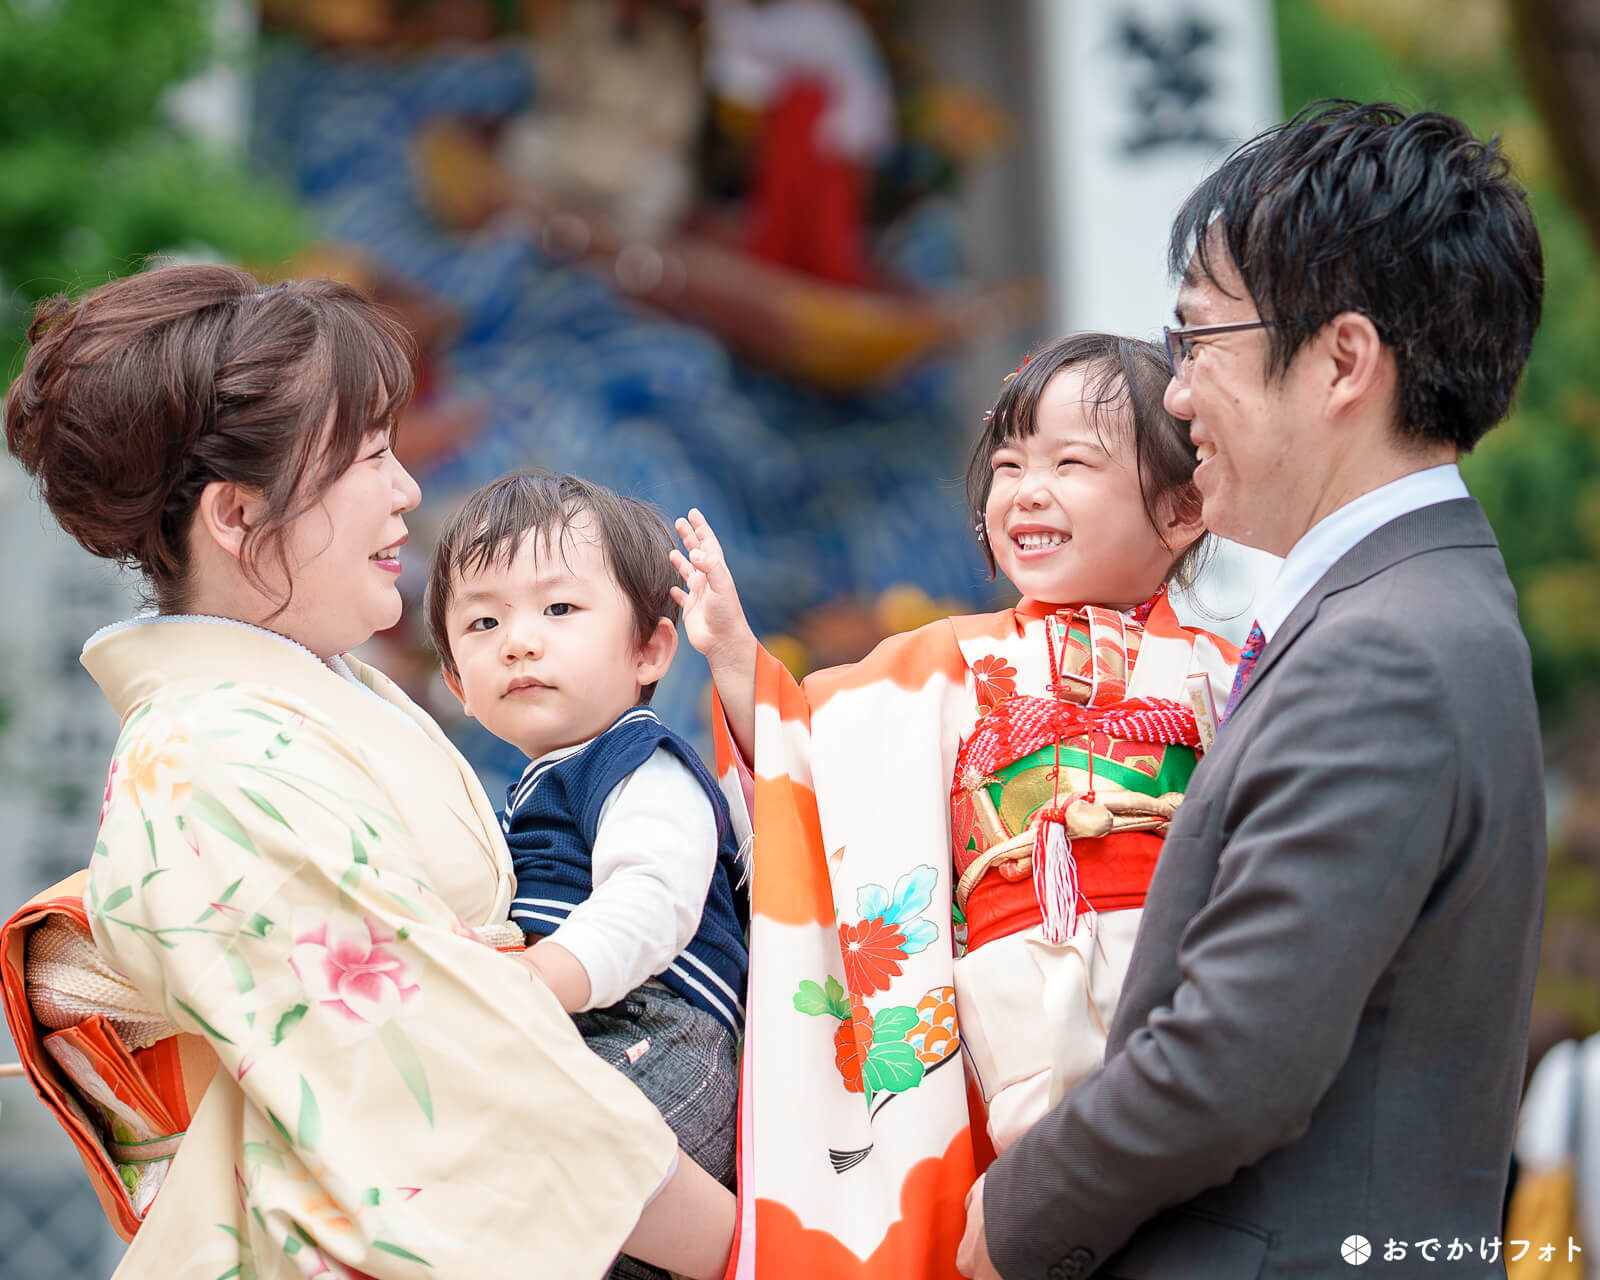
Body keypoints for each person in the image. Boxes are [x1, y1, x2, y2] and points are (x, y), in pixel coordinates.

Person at [0, 263, 735, 1280]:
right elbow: (459, 1083)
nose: (407, 491)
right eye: (372, 456)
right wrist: (753, 1248)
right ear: (236, 514)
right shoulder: (213, 760)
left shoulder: (293, 705)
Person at [960, 101, 1547, 1280]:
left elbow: (1230, 1062)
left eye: (1197, 343)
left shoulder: (1382, 646)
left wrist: (1007, 1217)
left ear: (1340, 361)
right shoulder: (1418, 601)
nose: (1175, 397)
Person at [670, 333, 1238, 1277]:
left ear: (1182, 509)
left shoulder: (1232, 673)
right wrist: (737, 659)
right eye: (1008, 464)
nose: (1027, 489)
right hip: (1004, 1031)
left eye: (1070, 462)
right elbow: (807, 763)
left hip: (1181, 999)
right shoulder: (939, 663)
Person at [423, 470, 747, 1225]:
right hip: (584, 1036)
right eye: (482, 625)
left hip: (658, 1038)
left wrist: (536, 979)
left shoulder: (643, 764)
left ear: (649, 651)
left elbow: (651, 901)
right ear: (456, 683)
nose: (519, 643)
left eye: (560, 608)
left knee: (504, 1190)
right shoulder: (524, 791)